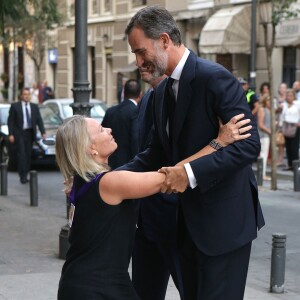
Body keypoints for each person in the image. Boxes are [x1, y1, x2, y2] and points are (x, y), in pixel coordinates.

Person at [124, 6, 265, 299]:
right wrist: (107, 179)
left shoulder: (214, 78)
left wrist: (188, 174)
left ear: (164, 40)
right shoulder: (162, 93)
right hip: (186, 230)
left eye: (140, 52)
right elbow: (156, 153)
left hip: (223, 229)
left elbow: (249, 145)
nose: (138, 62)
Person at [55, 114, 251, 300]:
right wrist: (218, 143)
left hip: (89, 282)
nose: (109, 129)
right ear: (91, 149)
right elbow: (171, 178)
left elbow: (170, 174)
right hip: (96, 287)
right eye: (101, 130)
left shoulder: (84, 181)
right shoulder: (110, 183)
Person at [132, 74, 184, 299]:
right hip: (145, 220)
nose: (139, 62)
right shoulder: (147, 99)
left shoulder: (184, 96)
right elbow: (146, 154)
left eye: (142, 52)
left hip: (177, 221)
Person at [7, 87, 46, 183]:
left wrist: (43, 132)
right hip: (19, 133)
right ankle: (22, 176)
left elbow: (39, 120)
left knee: (28, 155)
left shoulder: (34, 106)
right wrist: (11, 134)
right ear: (21, 96)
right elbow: (10, 121)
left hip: (30, 133)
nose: (26, 96)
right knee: (22, 154)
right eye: (25, 94)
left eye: (28, 95)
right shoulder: (15, 106)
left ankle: (26, 173)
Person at [101, 79, 142, 169]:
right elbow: (135, 139)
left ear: (124, 93)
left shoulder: (110, 111)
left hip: (109, 161)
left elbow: (101, 135)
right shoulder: (135, 111)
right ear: (140, 94)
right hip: (128, 164)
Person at [280, 89, 300, 171]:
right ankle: (289, 164)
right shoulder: (284, 105)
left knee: (294, 147)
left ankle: (295, 165)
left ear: (294, 96)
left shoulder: (297, 104)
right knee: (287, 146)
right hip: (286, 126)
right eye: (287, 95)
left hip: (295, 126)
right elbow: (282, 115)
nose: (289, 97)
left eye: (290, 95)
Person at [257, 94, 271, 181]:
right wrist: (270, 131)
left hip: (266, 135)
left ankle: (263, 173)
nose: (270, 103)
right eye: (268, 101)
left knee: (264, 155)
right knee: (263, 155)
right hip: (263, 135)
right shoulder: (262, 109)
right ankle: (262, 174)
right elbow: (261, 124)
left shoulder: (268, 110)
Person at [275, 83, 287, 166]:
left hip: (288, 122)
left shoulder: (289, 98)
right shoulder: (277, 99)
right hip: (279, 122)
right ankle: (280, 159)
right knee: (280, 142)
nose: (282, 90)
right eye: (281, 88)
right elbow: (274, 110)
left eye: (283, 88)